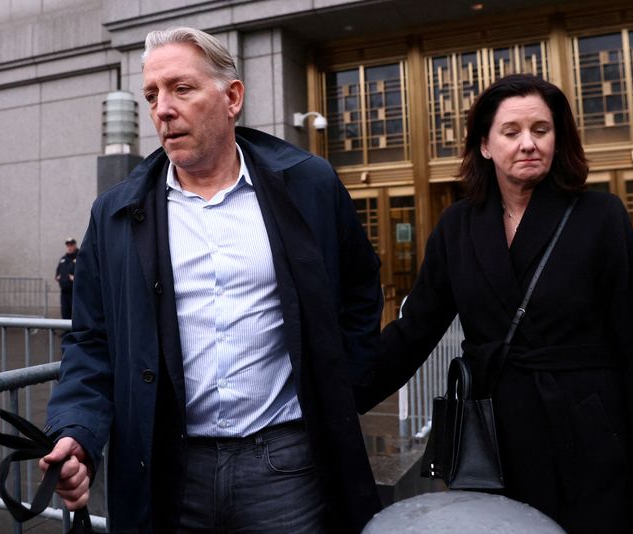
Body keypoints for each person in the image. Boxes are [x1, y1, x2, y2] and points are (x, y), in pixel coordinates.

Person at [40, 27, 383, 533]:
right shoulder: (114, 214)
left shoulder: (308, 184)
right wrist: (77, 431)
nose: (162, 109)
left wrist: (339, 386)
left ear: (232, 97)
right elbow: (92, 340)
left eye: (181, 88)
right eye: (152, 94)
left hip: (286, 467)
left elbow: (360, 290)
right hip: (166, 470)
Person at [354, 74, 633, 534]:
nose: (528, 144)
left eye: (541, 129)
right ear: (485, 145)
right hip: (494, 438)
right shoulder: (458, 225)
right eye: (511, 131)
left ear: (559, 139)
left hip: (590, 431)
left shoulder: (600, 216)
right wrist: (339, 396)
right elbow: (414, 330)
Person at [54, 237, 78, 319]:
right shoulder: (63, 259)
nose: (69, 247)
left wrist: (77, 278)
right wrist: (58, 276)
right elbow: (58, 270)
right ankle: (66, 331)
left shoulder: (80, 257)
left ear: (75, 245)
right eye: (68, 245)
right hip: (64, 292)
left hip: (75, 292)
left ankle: (76, 331)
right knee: (65, 311)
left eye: (71, 245)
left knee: (76, 313)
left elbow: (85, 271)